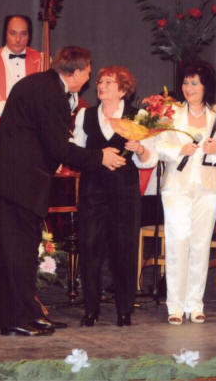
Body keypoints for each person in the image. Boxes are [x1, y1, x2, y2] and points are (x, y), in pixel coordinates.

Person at [0, 46, 126, 336]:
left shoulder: (42, 84)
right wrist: (99, 156)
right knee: (15, 252)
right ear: (75, 72)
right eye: (88, 72)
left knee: (26, 250)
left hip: (18, 181)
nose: (89, 77)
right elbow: (58, 147)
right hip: (15, 182)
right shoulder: (51, 94)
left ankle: (29, 312)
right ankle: (14, 319)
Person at [134, 61, 216, 325]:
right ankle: (175, 305)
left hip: (208, 186)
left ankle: (196, 303)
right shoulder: (171, 113)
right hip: (176, 187)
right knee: (177, 240)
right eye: (185, 82)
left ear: (206, 86)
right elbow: (158, 147)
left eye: (194, 83)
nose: (188, 88)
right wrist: (178, 150)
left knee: (200, 244)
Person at [72, 66, 144, 327]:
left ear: (123, 90)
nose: (101, 86)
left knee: (124, 250)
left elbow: (148, 160)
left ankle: (124, 309)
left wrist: (140, 149)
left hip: (124, 192)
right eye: (100, 81)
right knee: (90, 248)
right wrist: (99, 158)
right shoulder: (86, 115)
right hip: (93, 192)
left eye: (109, 82)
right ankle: (91, 309)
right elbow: (76, 153)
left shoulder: (138, 116)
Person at [0, 15, 43, 135]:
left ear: (29, 36)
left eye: (23, 34)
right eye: (13, 33)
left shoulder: (42, 60)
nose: (18, 39)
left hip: (35, 131)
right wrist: (18, 110)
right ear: (5, 34)